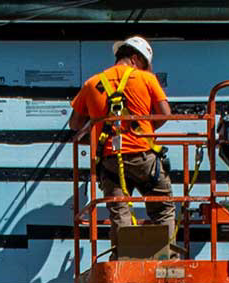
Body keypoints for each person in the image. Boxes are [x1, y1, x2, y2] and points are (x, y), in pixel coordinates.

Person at [69, 36, 177, 239]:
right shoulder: (146, 79)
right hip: (144, 156)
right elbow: (165, 113)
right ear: (135, 58)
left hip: (109, 158)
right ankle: (166, 258)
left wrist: (99, 126)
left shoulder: (92, 83)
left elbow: (75, 124)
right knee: (162, 208)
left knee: (120, 213)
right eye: (145, 65)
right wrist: (143, 130)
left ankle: (123, 261)